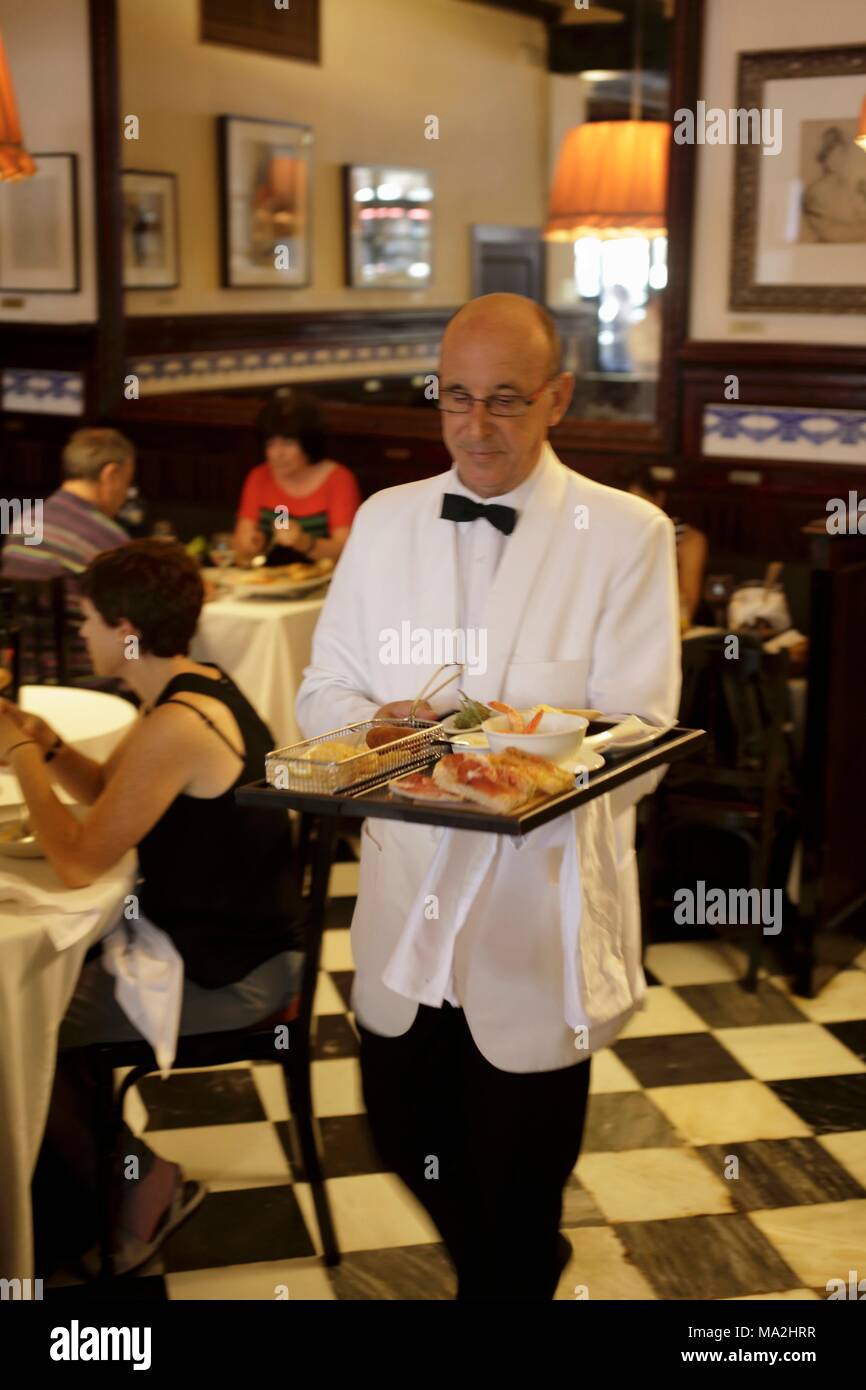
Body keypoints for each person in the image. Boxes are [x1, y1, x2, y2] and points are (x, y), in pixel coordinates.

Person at [296, 292, 680, 1301]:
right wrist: (380, 729)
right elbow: (321, 690)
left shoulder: (626, 533)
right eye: (455, 398)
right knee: (400, 1130)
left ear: (557, 396)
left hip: (531, 917)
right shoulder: (382, 522)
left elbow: (640, 732)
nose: (475, 426)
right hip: (404, 902)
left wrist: (507, 750)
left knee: (514, 1186)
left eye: (505, 400)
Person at [0, 540, 306, 1276]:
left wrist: (18, 756)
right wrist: (45, 740)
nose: (80, 633)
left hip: (236, 974)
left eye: (90, 619)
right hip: (219, 939)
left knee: (25, 1023)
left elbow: (76, 865)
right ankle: (96, 1188)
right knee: (38, 1004)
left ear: (127, 629)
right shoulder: (190, 685)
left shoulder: (177, 724)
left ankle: (137, 1189)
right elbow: (109, 788)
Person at [1, 427, 134, 681]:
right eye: (127, 483)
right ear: (111, 474)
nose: (125, 495)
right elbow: (129, 627)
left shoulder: (23, 524)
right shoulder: (109, 541)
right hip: (88, 684)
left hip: (20, 680)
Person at [232, 388, 361, 566]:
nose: (278, 453)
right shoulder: (259, 476)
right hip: (268, 579)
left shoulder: (338, 479)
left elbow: (347, 550)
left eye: (288, 443)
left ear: (309, 442)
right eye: (271, 444)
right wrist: (252, 545)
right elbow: (241, 544)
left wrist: (303, 541)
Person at [619, 462, 708, 627]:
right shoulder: (600, 537)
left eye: (640, 506)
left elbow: (685, 608)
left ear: (659, 499)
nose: (632, 517)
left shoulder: (687, 540)